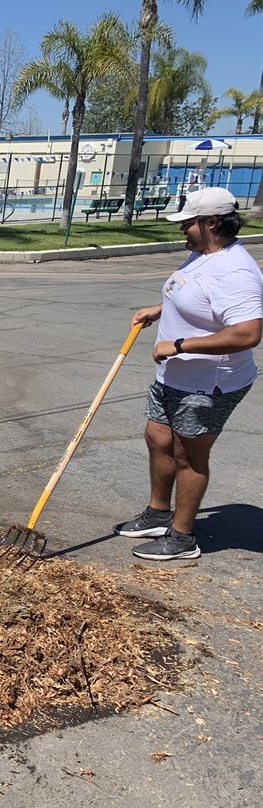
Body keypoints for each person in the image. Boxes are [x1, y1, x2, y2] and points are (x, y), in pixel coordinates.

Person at [115, 187, 262, 561]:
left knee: (188, 455)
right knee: (158, 437)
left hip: (208, 383)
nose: (183, 229)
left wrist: (179, 346)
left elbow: (247, 333)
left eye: (188, 223)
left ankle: (182, 538)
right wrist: (159, 309)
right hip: (173, 376)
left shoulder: (235, 272)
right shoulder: (202, 255)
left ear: (211, 222)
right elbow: (194, 299)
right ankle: (157, 514)